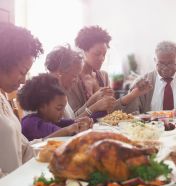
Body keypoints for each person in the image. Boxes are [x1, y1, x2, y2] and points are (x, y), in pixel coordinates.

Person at [67, 25, 152, 114]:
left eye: (104, 54)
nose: (102, 58)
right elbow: (73, 118)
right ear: (83, 51)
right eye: (97, 54)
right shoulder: (73, 79)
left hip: (104, 127)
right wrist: (93, 102)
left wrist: (133, 94)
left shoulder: (103, 76)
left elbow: (111, 110)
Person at [0, 22, 43, 176]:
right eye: (22, 71)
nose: (24, 80)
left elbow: (23, 149)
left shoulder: (3, 98)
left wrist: (59, 146)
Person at [124, 41, 176, 114]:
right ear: (155, 60)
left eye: (171, 63)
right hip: (151, 130)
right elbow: (130, 114)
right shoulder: (141, 83)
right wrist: (133, 94)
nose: (166, 68)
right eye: (161, 63)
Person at [45, 45, 115, 120]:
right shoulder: (49, 97)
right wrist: (94, 108)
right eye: (74, 76)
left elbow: (72, 119)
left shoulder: (59, 91)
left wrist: (92, 100)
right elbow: (63, 128)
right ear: (60, 72)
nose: (76, 80)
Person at [18, 74, 92, 141]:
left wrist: (81, 122)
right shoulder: (32, 124)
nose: (62, 113)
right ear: (42, 106)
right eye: (59, 109)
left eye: (63, 108)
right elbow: (67, 135)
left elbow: (69, 123)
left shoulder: (49, 119)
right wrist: (78, 129)